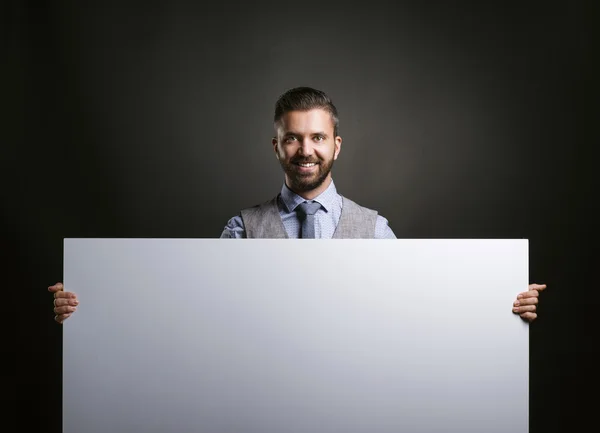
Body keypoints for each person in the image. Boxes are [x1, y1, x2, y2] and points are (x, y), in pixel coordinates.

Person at [49, 87, 546, 322]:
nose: (304, 150)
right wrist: (91, 305)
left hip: (357, 402)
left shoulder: (374, 231)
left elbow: (425, 309)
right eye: (292, 139)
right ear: (276, 146)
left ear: (336, 145)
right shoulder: (241, 230)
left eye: (316, 138)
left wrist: (500, 304)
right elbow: (186, 309)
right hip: (259, 401)